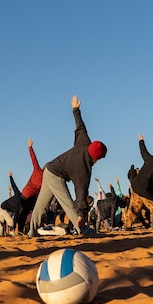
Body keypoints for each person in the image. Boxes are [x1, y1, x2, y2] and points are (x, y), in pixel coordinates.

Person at [28, 95, 106, 237]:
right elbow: (81, 192)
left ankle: (32, 232)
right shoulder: (83, 169)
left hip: (49, 168)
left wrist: (75, 109)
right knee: (67, 202)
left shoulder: (84, 142)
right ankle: (81, 229)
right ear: (96, 158)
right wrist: (81, 214)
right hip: (56, 175)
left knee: (41, 205)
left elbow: (80, 126)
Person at [123, 134, 153, 229]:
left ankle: (127, 225)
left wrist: (141, 141)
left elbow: (143, 151)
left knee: (134, 208)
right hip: (144, 191)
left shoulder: (150, 159)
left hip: (135, 186)